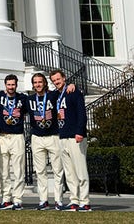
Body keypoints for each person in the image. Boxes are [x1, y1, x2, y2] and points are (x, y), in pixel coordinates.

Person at [51, 69, 90, 212]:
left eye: (58, 79)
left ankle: (85, 202)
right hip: (63, 136)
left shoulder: (74, 92)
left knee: (80, 171)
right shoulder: (57, 95)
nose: (56, 82)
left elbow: (81, 113)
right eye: (54, 80)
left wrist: (80, 131)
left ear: (64, 78)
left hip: (75, 136)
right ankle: (74, 200)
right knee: (69, 173)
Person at [0, 74, 29, 210]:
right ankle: (6, 199)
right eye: (9, 85)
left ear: (16, 85)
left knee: (19, 170)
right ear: (5, 85)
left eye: (13, 85)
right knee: (3, 171)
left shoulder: (23, 98)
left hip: (17, 136)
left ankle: (17, 199)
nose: (11, 87)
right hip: (2, 136)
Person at [28, 72, 64, 211]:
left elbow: (63, 90)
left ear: (45, 83)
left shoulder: (53, 96)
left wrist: (71, 85)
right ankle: (43, 200)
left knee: (57, 170)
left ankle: (58, 200)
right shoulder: (29, 99)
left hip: (53, 136)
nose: (38, 84)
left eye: (40, 82)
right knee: (40, 171)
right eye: (35, 82)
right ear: (33, 85)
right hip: (37, 137)